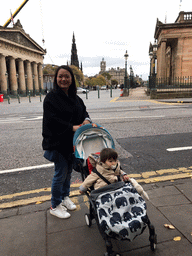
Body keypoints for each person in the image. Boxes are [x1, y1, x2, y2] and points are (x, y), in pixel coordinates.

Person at [42, 65, 91, 219]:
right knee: (60, 173)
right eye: (60, 76)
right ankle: (55, 205)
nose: (63, 79)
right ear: (56, 79)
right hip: (58, 142)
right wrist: (73, 127)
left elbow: (84, 112)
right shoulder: (51, 98)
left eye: (67, 76)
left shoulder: (75, 98)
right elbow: (52, 121)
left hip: (73, 143)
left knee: (68, 172)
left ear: (72, 79)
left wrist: (86, 121)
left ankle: (65, 197)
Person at [79, 148, 149, 200]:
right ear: (103, 161)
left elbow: (119, 171)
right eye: (110, 161)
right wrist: (83, 188)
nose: (113, 163)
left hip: (117, 188)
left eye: (115, 160)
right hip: (103, 191)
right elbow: (89, 180)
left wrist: (123, 174)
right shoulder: (98, 171)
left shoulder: (116, 166)